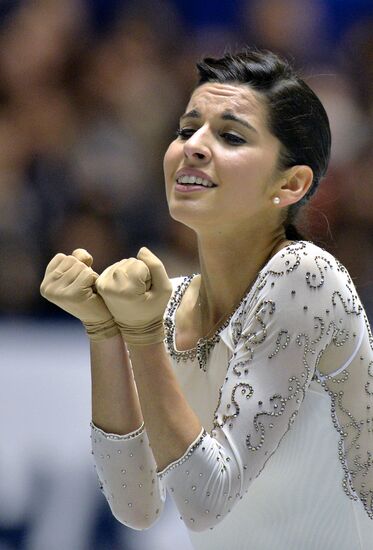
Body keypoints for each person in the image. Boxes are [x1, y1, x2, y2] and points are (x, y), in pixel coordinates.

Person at [40, 48, 373, 549]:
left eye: (231, 136)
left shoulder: (306, 277)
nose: (193, 146)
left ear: (290, 184)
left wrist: (142, 334)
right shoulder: (172, 304)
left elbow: (206, 501)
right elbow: (136, 505)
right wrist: (105, 331)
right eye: (186, 129)